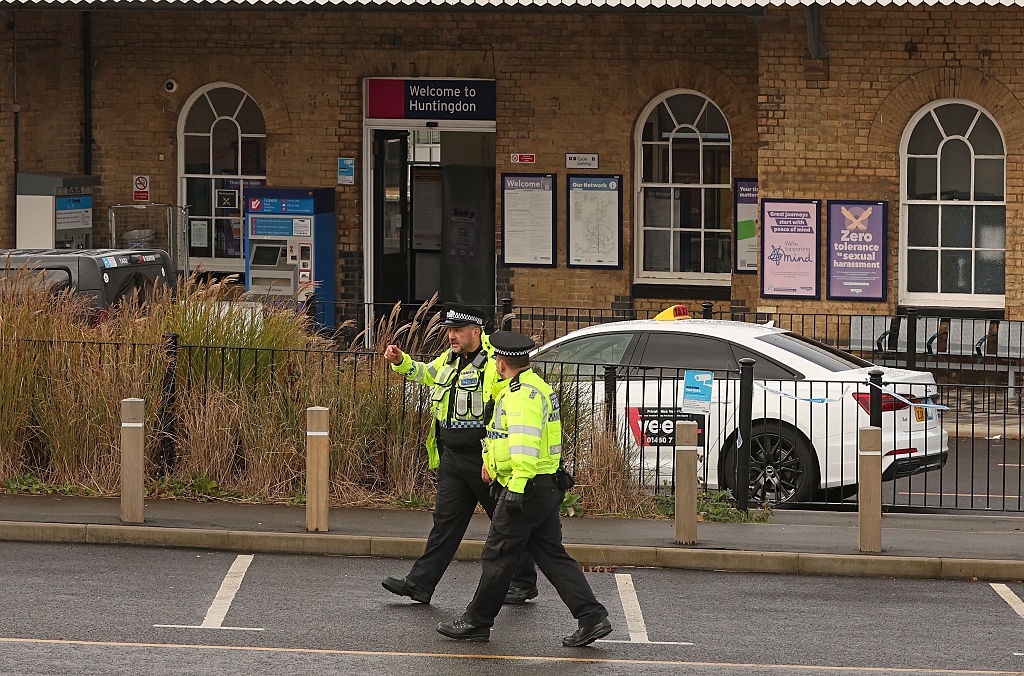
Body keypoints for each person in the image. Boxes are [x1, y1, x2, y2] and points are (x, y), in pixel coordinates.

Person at [436, 331, 613, 647]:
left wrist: (515, 488)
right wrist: (492, 464)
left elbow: (525, 446)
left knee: (498, 554)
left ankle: (477, 621)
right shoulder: (535, 388)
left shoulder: (521, 396)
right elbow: (512, 441)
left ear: (502, 362)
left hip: (527, 487)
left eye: (495, 359)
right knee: (551, 555)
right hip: (543, 486)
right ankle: (592, 617)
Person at [381, 303, 538, 605]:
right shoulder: (449, 359)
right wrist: (401, 361)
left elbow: (505, 404)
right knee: (445, 523)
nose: (451, 336)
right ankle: (420, 584)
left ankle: (524, 582)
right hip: (451, 456)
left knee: (503, 521)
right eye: (449, 331)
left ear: (475, 331)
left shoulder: (495, 362)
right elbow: (426, 374)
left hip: (483, 458)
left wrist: (493, 456)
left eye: (457, 331)